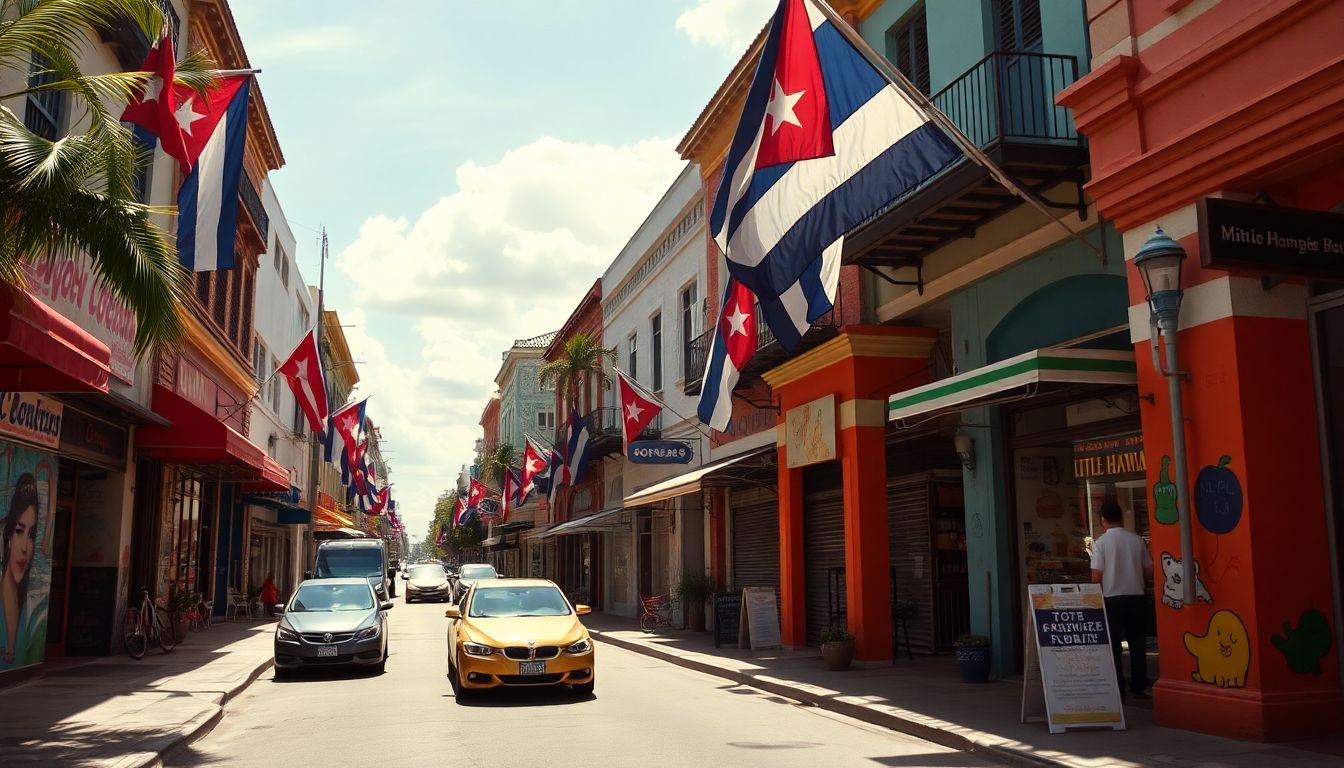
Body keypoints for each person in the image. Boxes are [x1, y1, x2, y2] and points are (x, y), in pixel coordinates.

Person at [1090, 500, 1153, 699]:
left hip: (1111, 599)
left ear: (1103, 520)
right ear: (1121, 518)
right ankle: (1139, 687)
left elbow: (1096, 575)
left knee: (1114, 645)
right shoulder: (1136, 540)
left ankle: (1118, 686)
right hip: (1136, 596)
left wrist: (1094, 596)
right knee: (1137, 643)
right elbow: (1149, 570)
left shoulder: (1101, 543)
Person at [1, 475, 41, 667]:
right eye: (19, 531)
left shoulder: (30, 612)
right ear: (8, 536)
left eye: (32, 534)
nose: (26, 547)